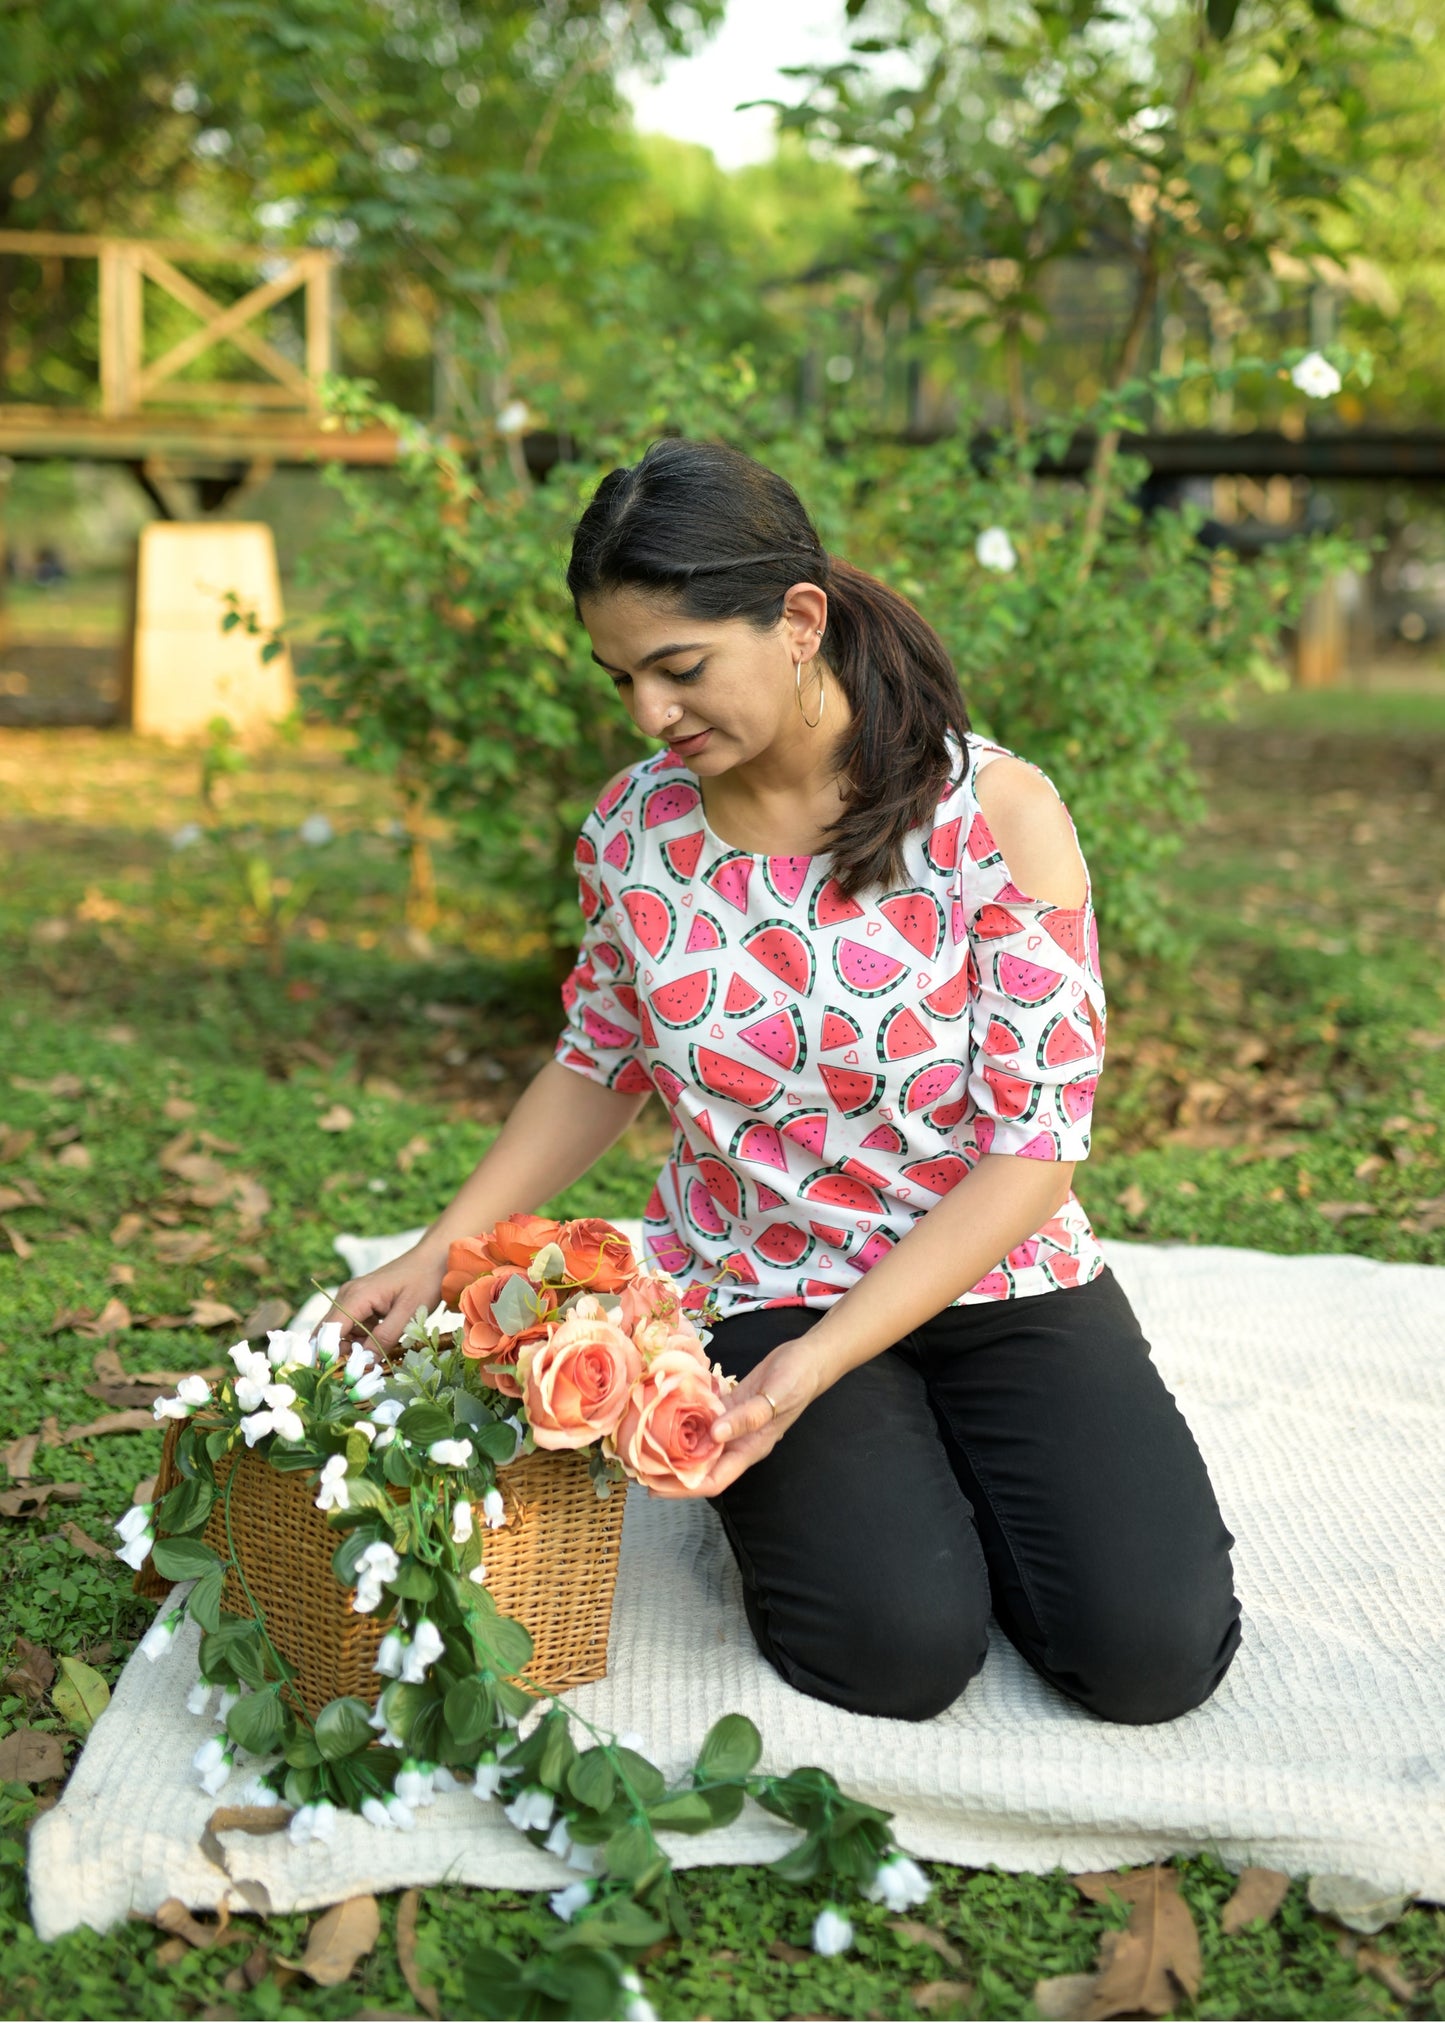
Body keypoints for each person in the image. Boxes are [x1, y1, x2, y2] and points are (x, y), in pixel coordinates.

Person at [328, 436, 1243, 1726]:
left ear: (798, 619)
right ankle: (870, 1490)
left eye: (681, 667)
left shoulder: (993, 812)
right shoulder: (638, 829)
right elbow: (598, 1061)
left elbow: (1037, 1146)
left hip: (991, 1268)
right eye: (624, 677)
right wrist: (440, 1250)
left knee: (1153, 1657)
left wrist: (827, 1369)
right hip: (763, 1277)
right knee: (895, 1653)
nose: (652, 712)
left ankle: (928, 1458)